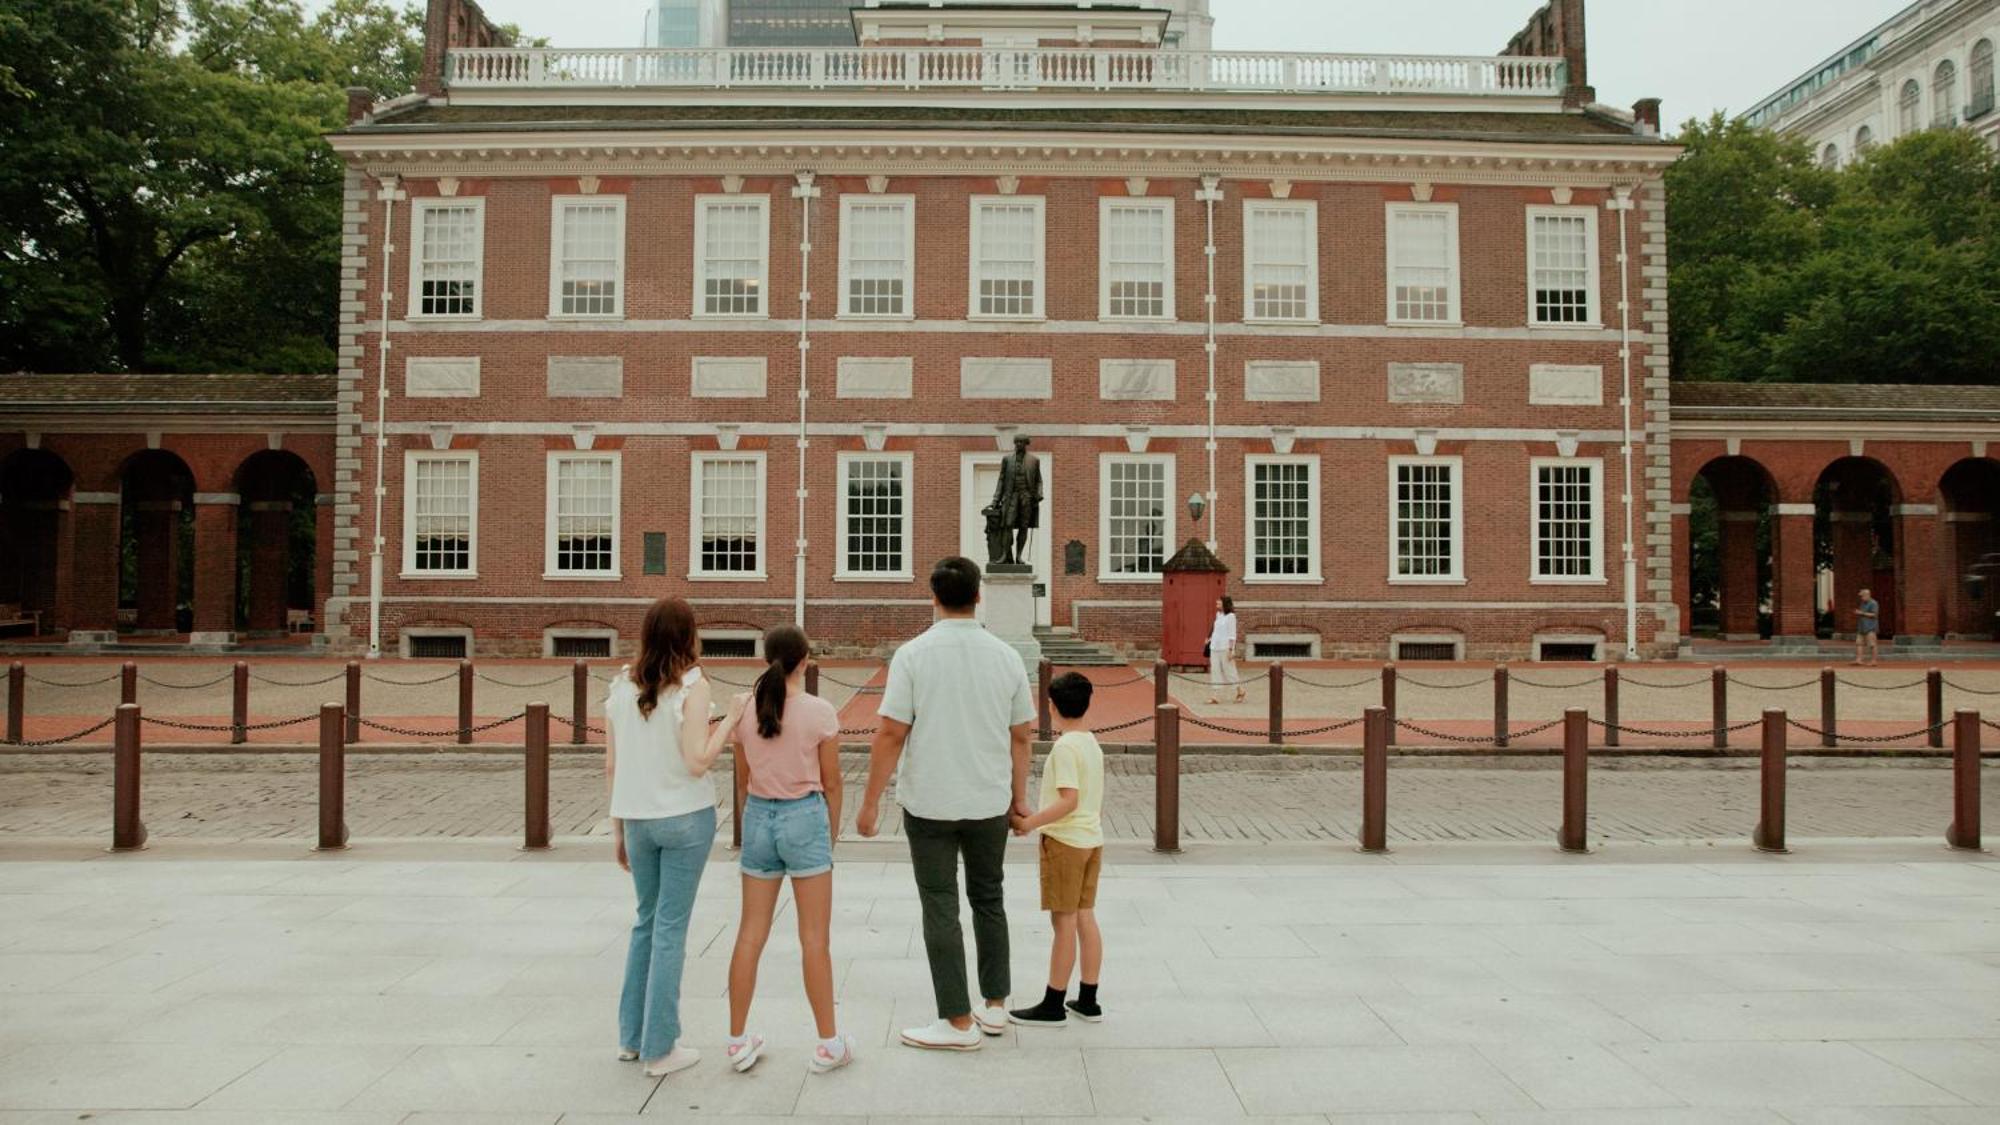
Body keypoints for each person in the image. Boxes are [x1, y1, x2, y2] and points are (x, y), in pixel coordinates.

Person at [857, 556, 1034, 1051]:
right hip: (988, 798)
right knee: (989, 898)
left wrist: (870, 802)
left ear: (932, 597)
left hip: (930, 799)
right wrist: (1020, 799)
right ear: (980, 596)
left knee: (940, 904)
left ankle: (956, 1020)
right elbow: (1022, 736)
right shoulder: (1006, 656)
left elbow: (891, 732)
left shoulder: (913, 655)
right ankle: (995, 1004)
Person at [701, 624, 854, 1075]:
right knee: (814, 939)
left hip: (760, 818)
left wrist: (752, 822)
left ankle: (736, 1039)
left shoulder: (746, 710)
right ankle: (828, 1042)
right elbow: (832, 780)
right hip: (804, 816)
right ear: (804, 661)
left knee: (750, 934)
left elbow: (744, 779)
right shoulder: (819, 711)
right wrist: (831, 830)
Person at [607, 596, 724, 1078]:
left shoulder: (619, 685)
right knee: (670, 929)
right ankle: (661, 1046)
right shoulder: (692, 687)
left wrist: (617, 826)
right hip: (684, 816)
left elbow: (612, 765)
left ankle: (631, 1039)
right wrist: (731, 723)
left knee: (645, 923)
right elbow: (697, 760)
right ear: (688, 635)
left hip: (635, 817)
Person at [1006, 672, 1106, 1028]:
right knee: (1085, 917)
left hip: (1065, 842)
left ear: (1052, 707)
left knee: (1062, 921)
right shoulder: (1090, 743)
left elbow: (1068, 801)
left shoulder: (1064, 748)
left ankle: (1054, 1002)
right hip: (1091, 839)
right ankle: (1089, 998)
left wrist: (1029, 824)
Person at [1207, 595, 1243, 704]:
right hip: (1215, 647)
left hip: (1225, 647)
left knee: (1229, 671)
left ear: (1225, 603)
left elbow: (1232, 635)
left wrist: (1231, 650)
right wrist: (1209, 639)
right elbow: (1216, 630)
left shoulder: (1231, 616)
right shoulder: (1218, 614)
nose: (1217, 602)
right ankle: (1216, 695)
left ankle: (1240, 691)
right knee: (1215, 671)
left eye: (1219, 601)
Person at [1854, 587, 1881, 666]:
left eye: (1862, 596)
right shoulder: (1862, 603)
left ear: (1867, 595)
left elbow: (1874, 614)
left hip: (1870, 627)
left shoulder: (1873, 603)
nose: (1861, 598)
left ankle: (1874, 661)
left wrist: (1861, 613)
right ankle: (1859, 659)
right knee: (1859, 643)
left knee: (1872, 644)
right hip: (1861, 627)